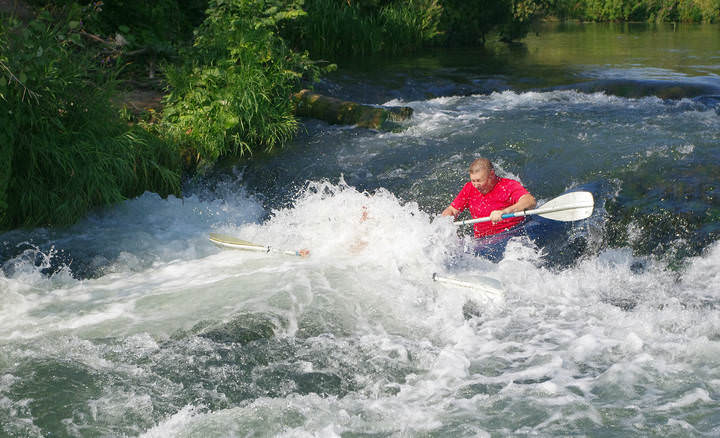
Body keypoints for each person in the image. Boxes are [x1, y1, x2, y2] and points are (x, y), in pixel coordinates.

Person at [442, 158, 536, 238]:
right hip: (482, 240)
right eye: (473, 181)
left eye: (479, 181)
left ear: (491, 174)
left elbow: (530, 201)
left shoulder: (508, 185)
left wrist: (504, 212)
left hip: (512, 232)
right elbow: (452, 209)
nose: (476, 185)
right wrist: (445, 220)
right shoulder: (469, 188)